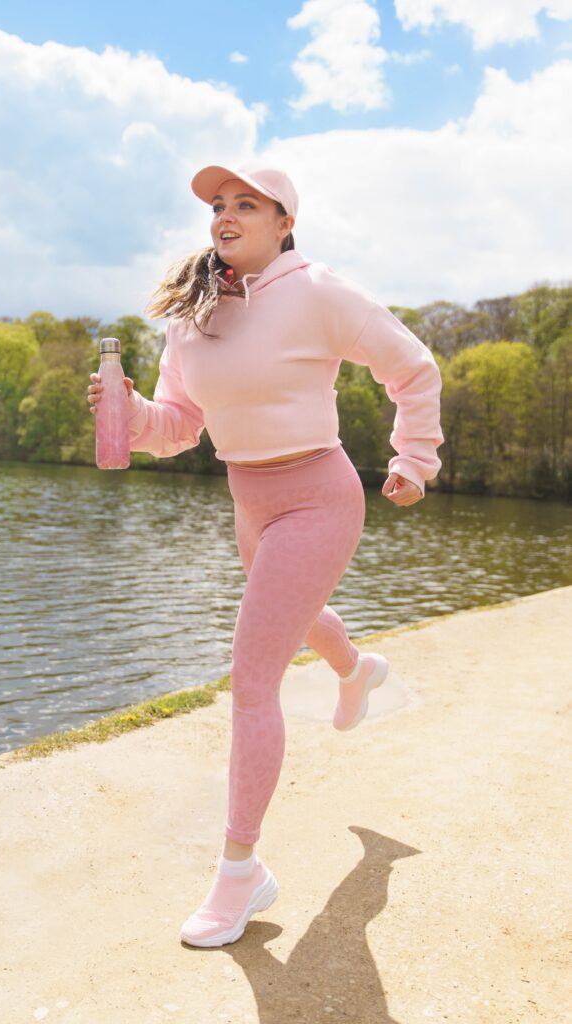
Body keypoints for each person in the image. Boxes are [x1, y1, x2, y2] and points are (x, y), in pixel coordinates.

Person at [86, 161, 444, 948]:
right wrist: (128, 410)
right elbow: (178, 426)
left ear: (285, 222)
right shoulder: (191, 315)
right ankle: (355, 668)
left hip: (318, 496)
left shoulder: (318, 293)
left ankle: (239, 873)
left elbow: (412, 368)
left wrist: (414, 459)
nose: (225, 214)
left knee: (253, 678)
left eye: (246, 203)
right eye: (218, 204)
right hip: (248, 499)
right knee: (293, 617)